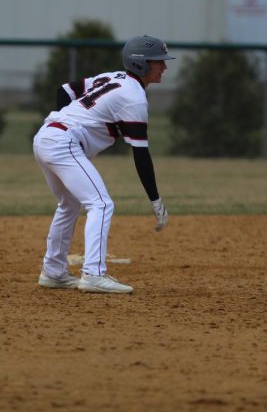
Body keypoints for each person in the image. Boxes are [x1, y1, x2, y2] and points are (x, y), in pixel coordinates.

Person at [32, 35, 173, 294]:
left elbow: (64, 90)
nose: (164, 67)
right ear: (141, 64)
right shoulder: (134, 98)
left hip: (46, 136)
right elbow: (141, 154)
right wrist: (155, 199)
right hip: (63, 142)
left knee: (70, 204)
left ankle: (53, 272)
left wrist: (70, 122)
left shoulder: (114, 76)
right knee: (101, 203)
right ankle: (94, 274)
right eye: (158, 62)